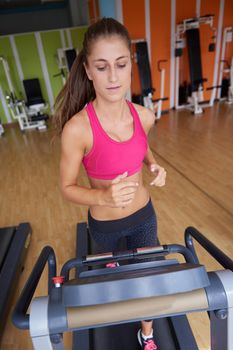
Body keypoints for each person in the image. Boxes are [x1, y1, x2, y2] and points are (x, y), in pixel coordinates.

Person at [54, 17, 166, 350]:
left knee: (147, 281)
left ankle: (146, 333)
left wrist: (154, 164)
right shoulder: (78, 130)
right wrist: (103, 194)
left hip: (144, 216)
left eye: (120, 64)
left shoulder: (144, 116)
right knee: (113, 279)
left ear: (130, 64)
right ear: (88, 70)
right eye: (102, 67)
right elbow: (66, 187)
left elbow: (141, 146)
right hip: (104, 226)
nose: (113, 76)